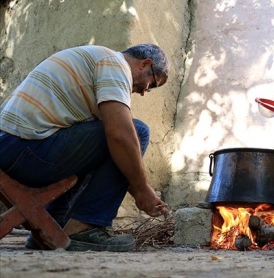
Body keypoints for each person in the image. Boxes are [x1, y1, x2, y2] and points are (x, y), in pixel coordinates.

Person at [0, 43, 170, 252]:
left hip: (14, 147)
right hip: (22, 148)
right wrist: (143, 190)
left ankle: (53, 225)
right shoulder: (114, 64)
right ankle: (85, 228)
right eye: (152, 84)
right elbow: (119, 135)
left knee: (110, 144)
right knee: (136, 132)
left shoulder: (98, 60)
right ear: (145, 64)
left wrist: (140, 191)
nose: (144, 92)